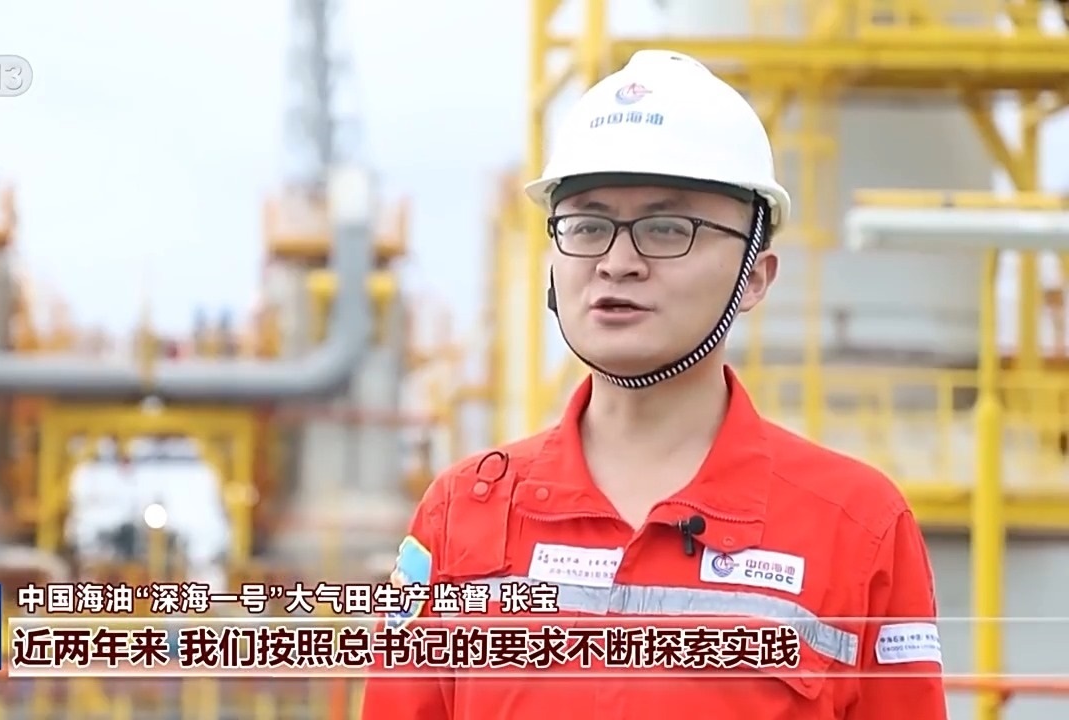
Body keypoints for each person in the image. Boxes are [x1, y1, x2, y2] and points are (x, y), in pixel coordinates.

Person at [360, 50, 946, 719]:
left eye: (668, 229)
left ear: (756, 276)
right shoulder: (462, 515)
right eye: (587, 226)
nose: (617, 262)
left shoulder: (857, 527)